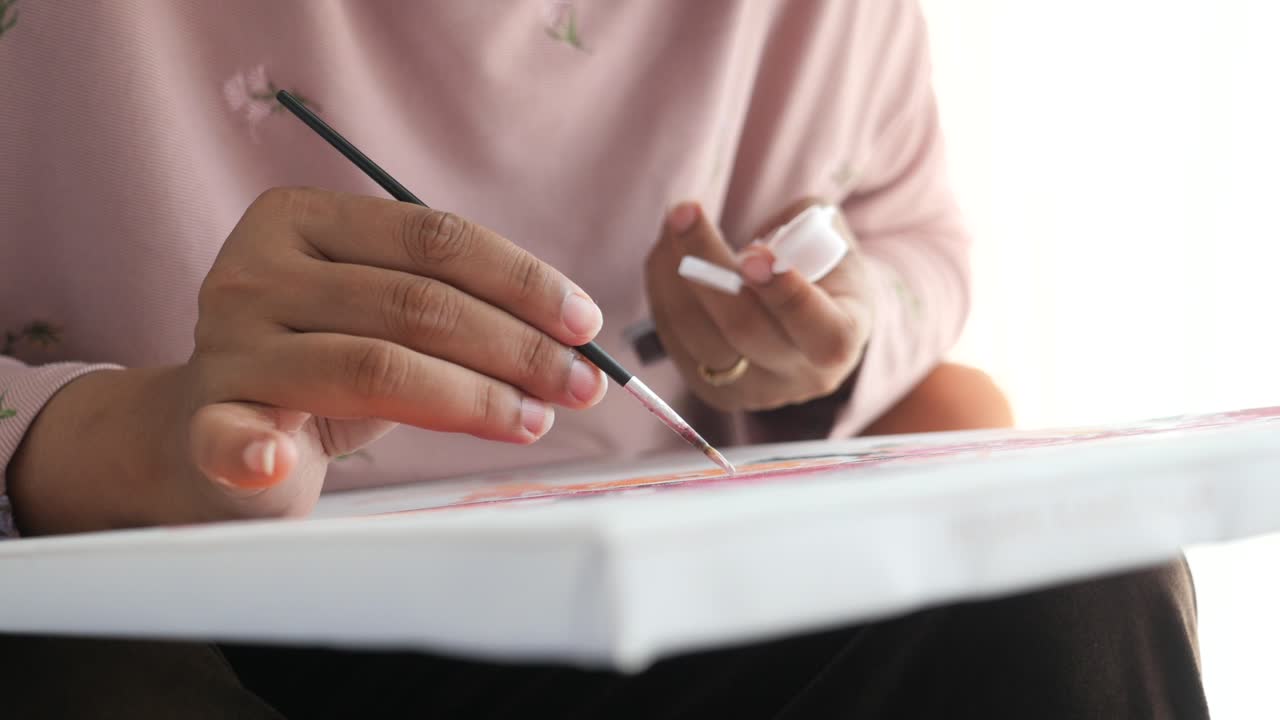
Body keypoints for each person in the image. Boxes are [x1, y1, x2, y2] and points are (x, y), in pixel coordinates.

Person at [0, 1, 1207, 717]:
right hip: (151, 610)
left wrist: (820, 347)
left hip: (682, 598)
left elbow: (907, 229)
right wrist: (118, 437)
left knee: (1071, 592)